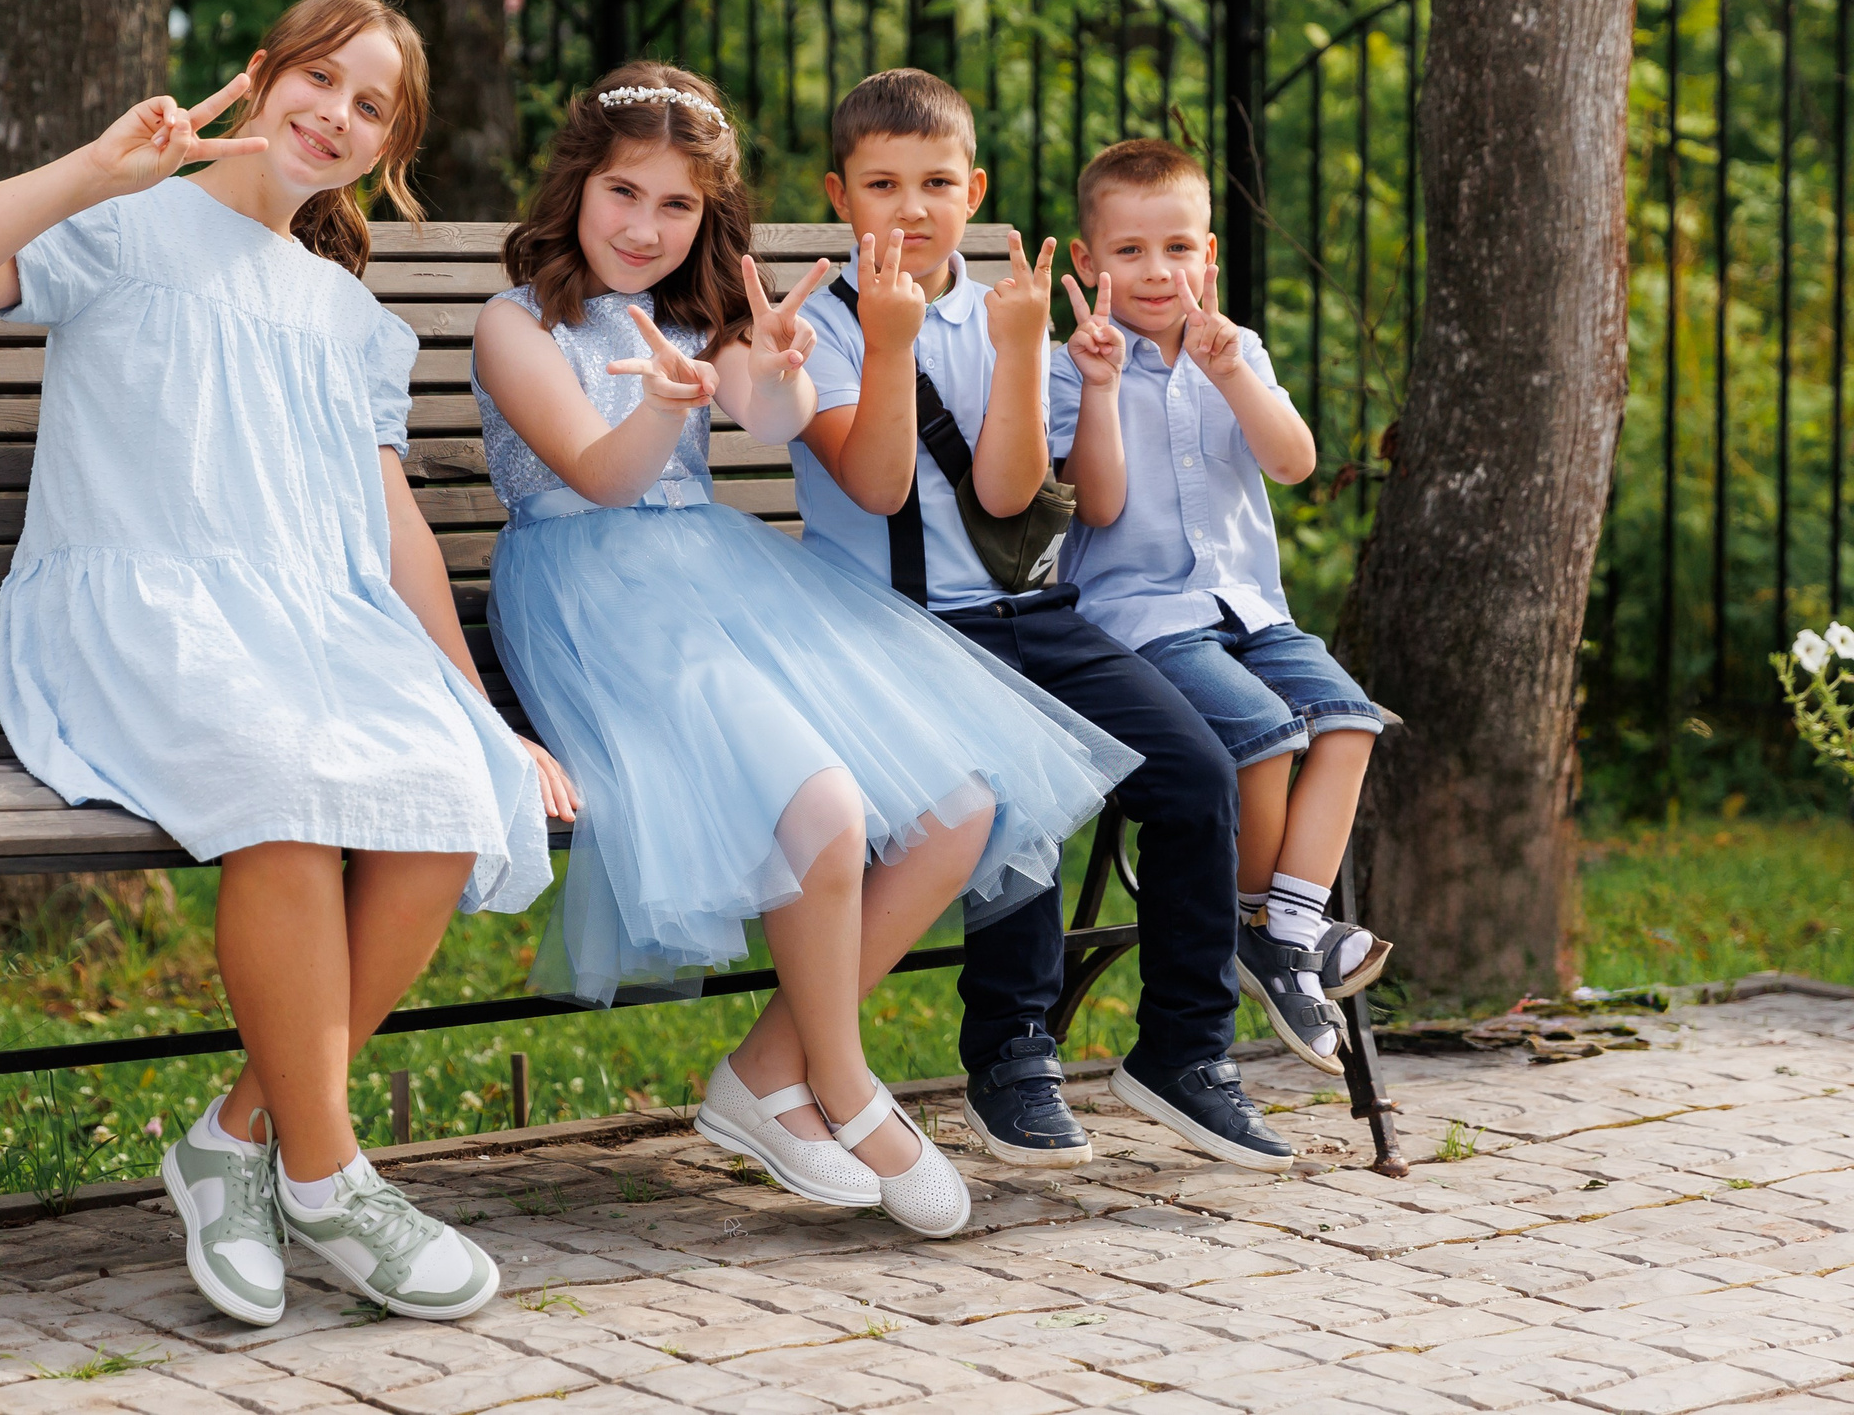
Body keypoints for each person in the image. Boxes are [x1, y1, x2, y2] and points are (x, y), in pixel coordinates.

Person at [0, 0, 576, 1330]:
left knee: (442, 788)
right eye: (322, 81)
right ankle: (329, 1169)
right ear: (260, 78)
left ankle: (237, 1133)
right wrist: (95, 164)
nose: (337, 116)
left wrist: (485, 710)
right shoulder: (122, 230)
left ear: (386, 153)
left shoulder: (348, 315)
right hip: (139, 615)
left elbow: (395, 526)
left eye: (373, 110)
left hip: (312, 630)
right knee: (287, 788)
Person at [473, 61, 1137, 1238]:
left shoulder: (702, 313)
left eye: (677, 207)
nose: (645, 228)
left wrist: (771, 371)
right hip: (596, 597)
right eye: (623, 195)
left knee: (962, 805)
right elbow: (601, 474)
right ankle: (842, 1088)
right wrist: (674, 405)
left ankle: (765, 1073)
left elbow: (769, 418)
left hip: (719, 579)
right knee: (824, 810)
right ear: (577, 187)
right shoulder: (515, 326)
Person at [792, 71, 1294, 1174]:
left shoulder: (1003, 310)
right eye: (881, 184)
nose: (910, 209)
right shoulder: (822, 326)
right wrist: (889, 338)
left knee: (1195, 777)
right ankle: (1013, 1051)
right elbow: (876, 489)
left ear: (974, 190)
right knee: (1015, 791)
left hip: (1030, 608)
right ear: (840, 194)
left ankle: (1182, 1052)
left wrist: (1023, 351)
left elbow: (1016, 497)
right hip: (897, 628)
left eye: (935, 183)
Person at [1052, 137, 1390, 1077]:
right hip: (1141, 619)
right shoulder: (1072, 365)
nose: (1155, 271)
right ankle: (1267, 932)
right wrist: (1101, 387)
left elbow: (1295, 463)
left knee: (1349, 719)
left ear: (1209, 257)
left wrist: (1232, 370)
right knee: (1266, 731)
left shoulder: (1237, 353)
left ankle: (1284, 929)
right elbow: (1101, 507)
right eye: (1129, 251)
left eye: (1177, 248)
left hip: (1249, 611)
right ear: (1088, 263)